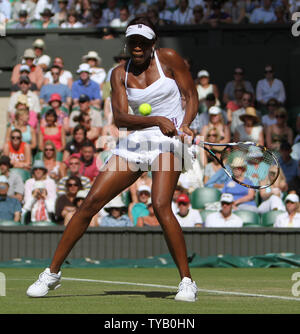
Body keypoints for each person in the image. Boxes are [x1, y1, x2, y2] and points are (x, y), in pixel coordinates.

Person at [27, 16, 199, 302]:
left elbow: (191, 96)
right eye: (133, 41)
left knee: (159, 203)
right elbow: (120, 118)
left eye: (143, 42)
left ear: (153, 44)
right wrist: (157, 120)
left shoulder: (169, 58)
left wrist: (186, 123)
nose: (137, 47)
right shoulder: (119, 73)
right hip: (137, 141)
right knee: (89, 203)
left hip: (170, 143)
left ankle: (186, 282)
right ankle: (52, 274)